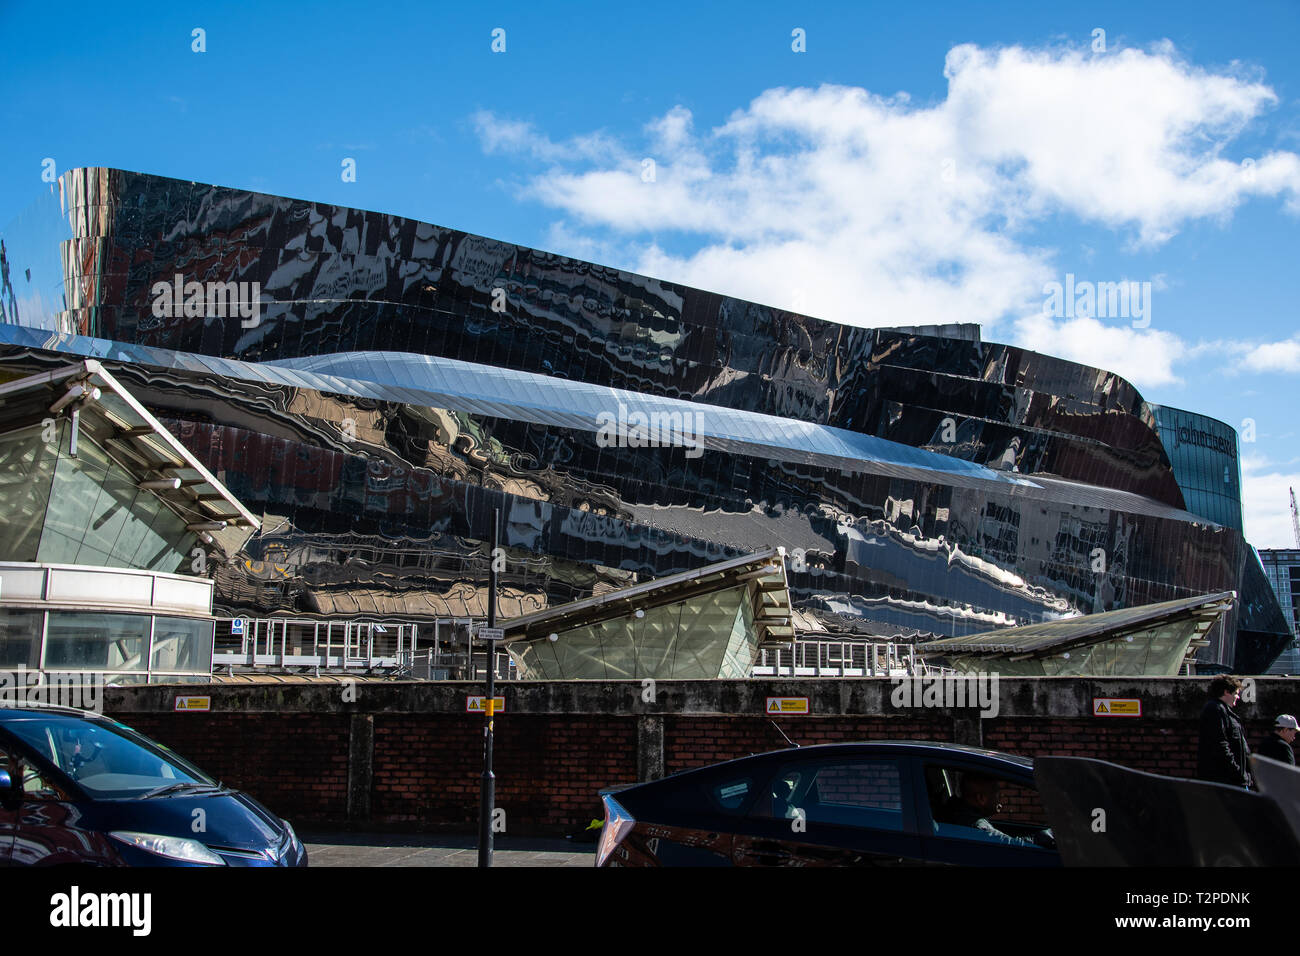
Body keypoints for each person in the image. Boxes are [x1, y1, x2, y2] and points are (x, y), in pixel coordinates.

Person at [943, 774, 1052, 848]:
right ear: (981, 798)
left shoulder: (960, 813)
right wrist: (1051, 835)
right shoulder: (976, 826)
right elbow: (1013, 846)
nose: (1001, 796)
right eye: (996, 793)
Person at [1197, 675, 1252, 788]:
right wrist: (1238, 772)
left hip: (1232, 779)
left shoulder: (1222, 710)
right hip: (1227, 781)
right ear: (1226, 692)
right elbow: (1221, 746)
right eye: (1236, 693)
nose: (1238, 697)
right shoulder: (1215, 710)